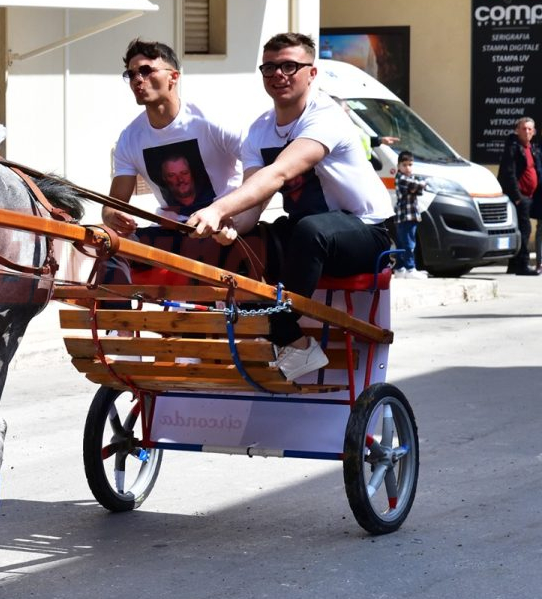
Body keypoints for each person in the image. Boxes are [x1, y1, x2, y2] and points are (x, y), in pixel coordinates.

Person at [186, 32, 393, 380]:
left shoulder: (325, 117)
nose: (278, 75)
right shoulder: (259, 130)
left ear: (311, 73)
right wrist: (233, 227)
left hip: (367, 233)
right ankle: (221, 337)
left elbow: (278, 173)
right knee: (252, 242)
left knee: (309, 229)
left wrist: (218, 209)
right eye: (269, 68)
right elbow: (255, 198)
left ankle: (281, 328)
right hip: (308, 234)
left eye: (289, 66)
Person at [103, 39, 246, 233]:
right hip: (170, 232)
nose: (137, 79)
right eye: (131, 74)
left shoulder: (210, 121)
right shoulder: (129, 138)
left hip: (224, 230)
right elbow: (114, 204)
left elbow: (261, 171)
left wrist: (236, 216)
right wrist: (112, 216)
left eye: (146, 71)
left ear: (174, 77)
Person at [497, 117, 540, 276]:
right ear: (517, 130)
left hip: (530, 196)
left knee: (523, 229)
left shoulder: (531, 148)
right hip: (519, 197)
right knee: (525, 229)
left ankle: (514, 265)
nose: (527, 132)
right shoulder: (513, 148)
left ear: (534, 132)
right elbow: (509, 173)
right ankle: (522, 264)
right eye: (523, 128)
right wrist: (517, 196)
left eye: (530, 129)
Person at [393, 150, 428, 279]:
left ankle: (400, 269)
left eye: (410, 165)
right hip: (405, 216)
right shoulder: (400, 178)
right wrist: (421, 184)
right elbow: (418, 185)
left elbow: (418, 191)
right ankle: (410, 268)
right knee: (408, 243)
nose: (408, 168)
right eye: (404, 165)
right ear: (398, 166)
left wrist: (417, 187)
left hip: (411, 215)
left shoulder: (409, 178)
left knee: (403, 243)